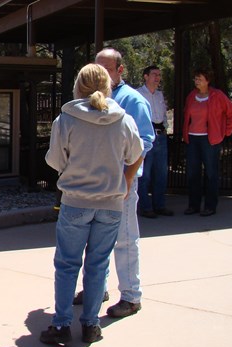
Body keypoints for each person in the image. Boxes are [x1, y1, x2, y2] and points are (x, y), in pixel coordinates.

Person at [40, 64, 143, 346]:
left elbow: (56, 161)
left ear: (78, 86)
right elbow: (137, 153)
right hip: (111, 204)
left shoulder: (66, 119)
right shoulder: (123, 119)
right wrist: (126, 181)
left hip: (76, 203)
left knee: (67, 265)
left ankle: (61, 325)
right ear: (108, 86)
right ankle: (91, 325)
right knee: (98, 265)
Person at [71, 48, 155, 318]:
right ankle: (97, 289)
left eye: (107, 68)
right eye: (97, 66)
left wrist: (128, 181)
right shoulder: (87, 101)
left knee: (125, 240)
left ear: (120, 71)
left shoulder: (134, 101)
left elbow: (144, 144)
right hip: (94, 186)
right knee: (94, 242)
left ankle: (131, 296)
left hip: (121, 188)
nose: (101, 72)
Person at [182, 68, 232, 216]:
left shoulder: (217, 95)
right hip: (193, 138)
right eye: (195, 78)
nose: (196, 81)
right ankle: (193, 205)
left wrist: (225, 132)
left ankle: (210, 206)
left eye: (199, 78)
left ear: (207, 80)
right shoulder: (192, 96)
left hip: (209, 139)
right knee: (193, 173)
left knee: (211, 174)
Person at [136, 65, 173, 218]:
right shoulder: (138, 94)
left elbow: (163, 115)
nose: (157, 77)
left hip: (161, 136)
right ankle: (145, 207)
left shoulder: (159, 95)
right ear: (146, 76)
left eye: (159, 74)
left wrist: (165, 128)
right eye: (154, 74)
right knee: (145, 175)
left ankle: (159, 205)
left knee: (161, 174)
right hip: (145, 136)